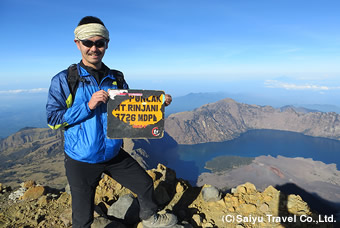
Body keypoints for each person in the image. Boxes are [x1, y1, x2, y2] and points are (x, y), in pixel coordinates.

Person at [46, 16, 177, 228]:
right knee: (82, 215)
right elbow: (53, 120)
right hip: (81, 158)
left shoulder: (116, 77)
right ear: (77, 44)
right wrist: (87, 106)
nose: (94, 48)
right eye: (88, 42)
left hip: (112, 152)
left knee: (144, 183)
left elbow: (130, 110)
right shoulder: (64, 80)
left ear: (107, 44)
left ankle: (149, 217)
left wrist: (157, 105)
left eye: (100, 42)